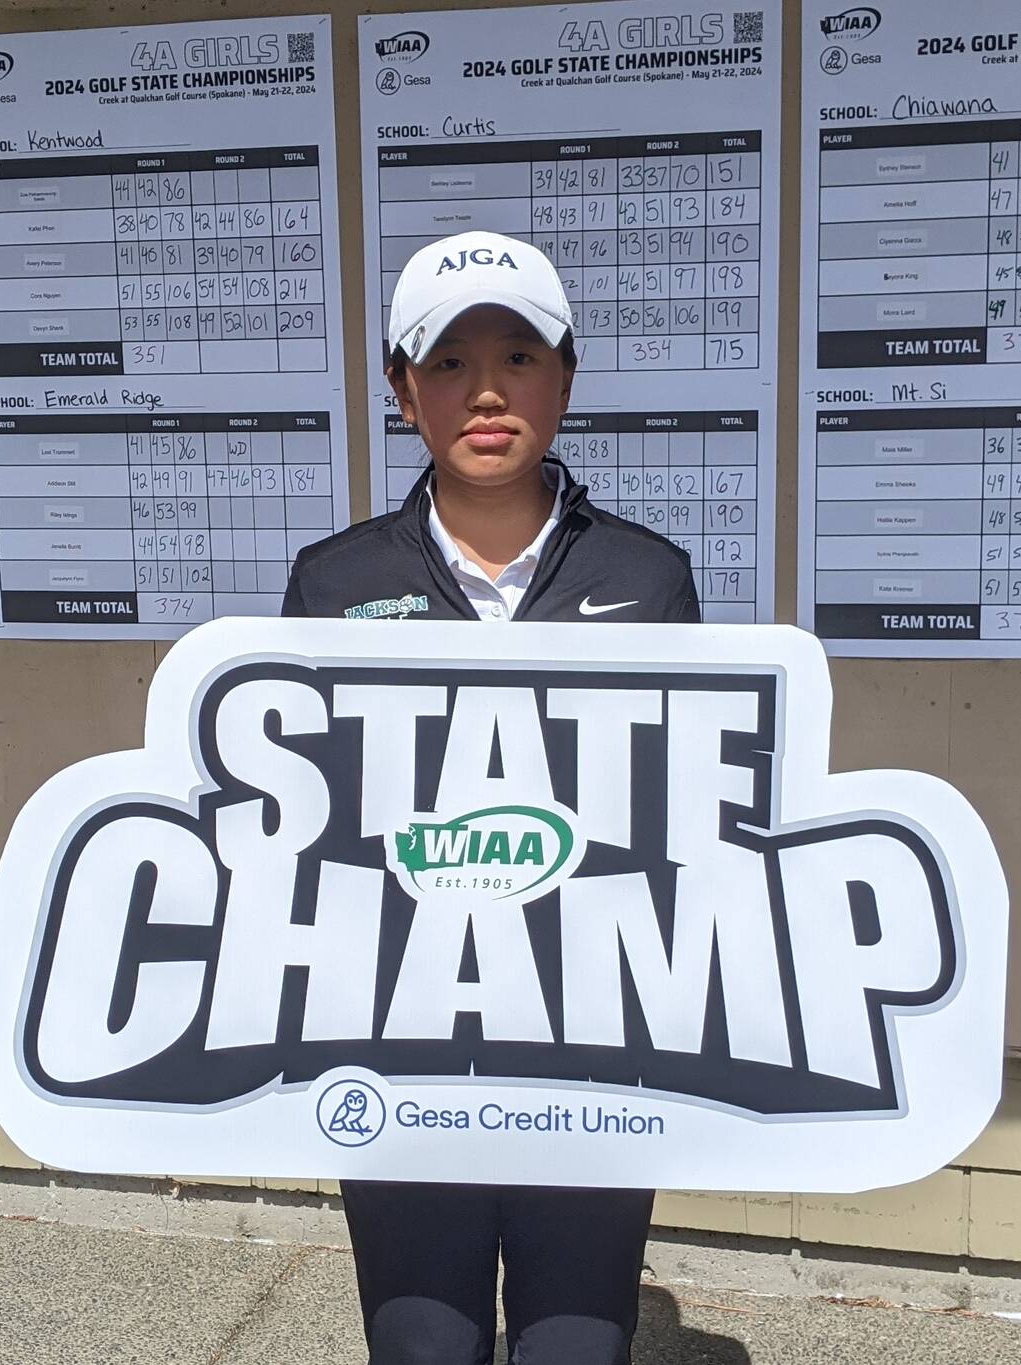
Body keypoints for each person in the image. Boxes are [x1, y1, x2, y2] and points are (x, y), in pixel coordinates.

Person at [281, 230, 700, 1363]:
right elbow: (297, 834)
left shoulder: (647, 578)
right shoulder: (335, 581)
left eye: (518, 356)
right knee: (424, 1349)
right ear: (399, 388)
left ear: (564, 376)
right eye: (447, 360)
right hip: (402, 1045)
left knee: (576, 1348)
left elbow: (687, 823)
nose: (484, 392)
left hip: (593, 1048)